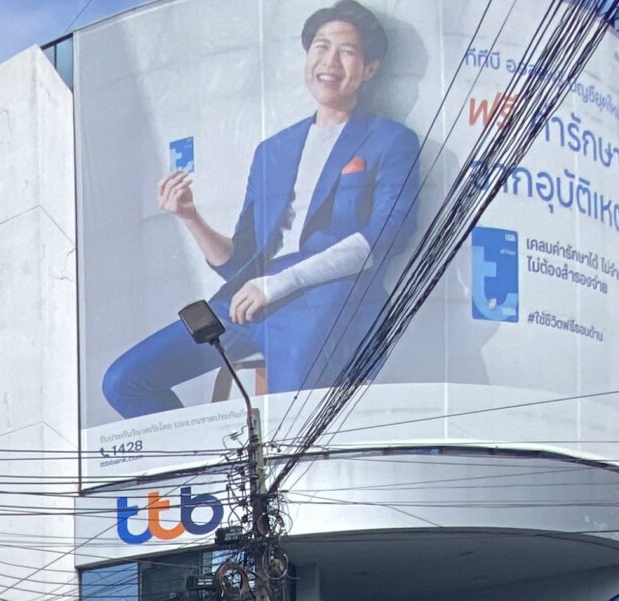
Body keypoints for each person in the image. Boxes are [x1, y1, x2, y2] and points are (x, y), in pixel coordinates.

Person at [102, 1, 419, 416]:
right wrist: (190, 217)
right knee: (125, 381)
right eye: (321, 47)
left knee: (294, 427)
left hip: (325, 303)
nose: (330, 61)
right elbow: (240, 260)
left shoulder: (391, 140)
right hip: (246, 300)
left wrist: (280, 284)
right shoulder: (273, 150)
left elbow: (386, 237)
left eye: (346, 51)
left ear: (370, 68)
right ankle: (211, 456)